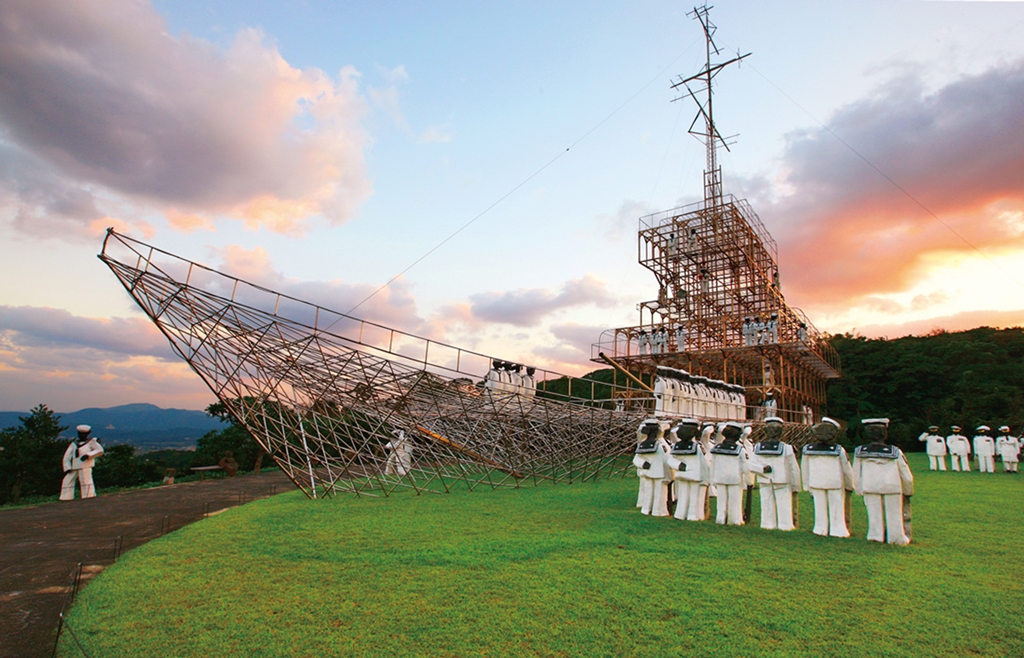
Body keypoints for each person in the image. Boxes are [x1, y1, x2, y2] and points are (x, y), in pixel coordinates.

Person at [853, 418, 914, 545]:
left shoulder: (860, 451)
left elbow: (856, 472)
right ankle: (896, 537)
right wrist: (908, 490)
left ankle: (875, 535)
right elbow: (905, 473)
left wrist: (858, 489)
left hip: (870, 485)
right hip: (892, 486)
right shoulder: (894, 451)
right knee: (894, 514)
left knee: (873, 513)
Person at [801, 417, 854, 538]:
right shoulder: (838, 450)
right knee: (836, 507)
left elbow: (805, 469)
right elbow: (846, 469)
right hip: (834, 482)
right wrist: (850, 485)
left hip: (816, 482)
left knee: (819, 507)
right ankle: (837, 529)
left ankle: (820, 528)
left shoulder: (808, 449)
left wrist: (807, 485)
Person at [749, 417, 801, 531]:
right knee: (766, 504)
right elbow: (750, 465)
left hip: (782, 481)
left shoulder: (787, 448)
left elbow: (793, 467)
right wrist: (762, 469)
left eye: (775, 430)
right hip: (765, 480)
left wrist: (796, 485)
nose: (773, 433)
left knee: (784, 505)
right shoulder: (758, 447)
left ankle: (785, 525)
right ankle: (767, 524)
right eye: (770, 430)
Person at [665, 419, 711, 521]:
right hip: (695, 475)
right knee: (694, 496)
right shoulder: (698, 447)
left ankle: (680, 514)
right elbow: (705, 463)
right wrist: (707, 479)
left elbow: (671, 460)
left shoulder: (676, 446)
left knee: (682, 495)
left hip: (681, 474)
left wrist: (679, 466)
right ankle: (692, 515)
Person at [709, 421, 749, 525]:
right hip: (734, 478)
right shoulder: (740, 449)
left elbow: (713, 464)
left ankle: (720, 519)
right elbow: (745, 465)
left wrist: (712, 479)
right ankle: (734, 520)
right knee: (735, 500)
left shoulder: (716, 448)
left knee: (721, 501)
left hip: (720, 477)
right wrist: (748, 480)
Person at [633, 419, 672, 516]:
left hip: (649, 472)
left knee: (650, 491)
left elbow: (636, 459)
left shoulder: (643, 445)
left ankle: (649, 509)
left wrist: (643, 464)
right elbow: (665, 460)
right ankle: (655, 510)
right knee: (658, 492)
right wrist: (670, 476)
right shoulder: (659, 446)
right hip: (658, 472)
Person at [60, 425, 104, 500]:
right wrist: (67, 467)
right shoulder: (74, 444)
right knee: (67, 481)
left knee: (85, 481)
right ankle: (66, 497)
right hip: (74, 465)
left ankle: (88, 496)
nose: (82, 435)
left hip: (85, 465)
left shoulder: (91, 442)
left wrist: (88, 455)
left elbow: (100, 450)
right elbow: (67, 456)